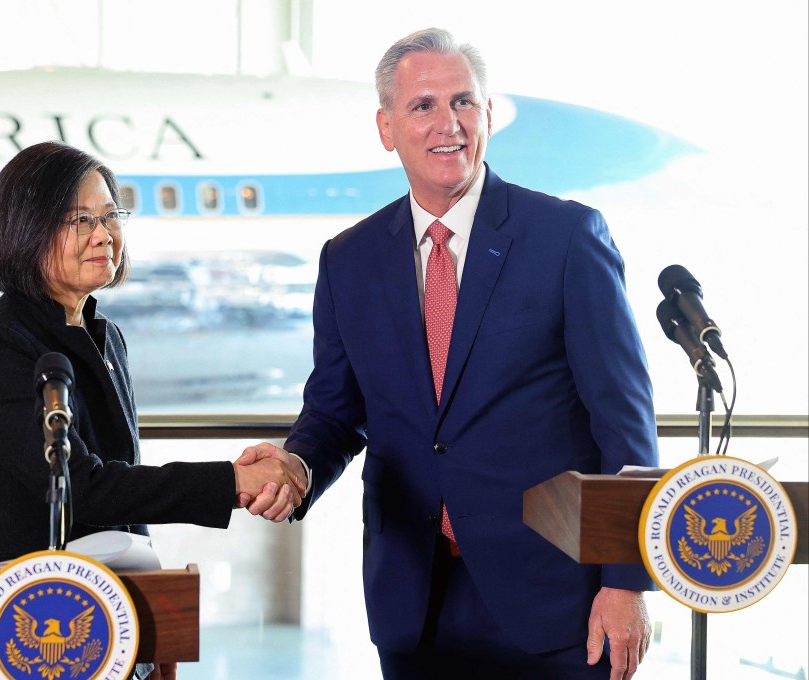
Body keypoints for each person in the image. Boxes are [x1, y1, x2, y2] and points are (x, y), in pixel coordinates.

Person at [237, 28, 659, 680]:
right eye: (423, 106)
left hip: (556, 598)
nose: (449, 124)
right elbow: (334, 413)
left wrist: (627, 583)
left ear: (488, 114)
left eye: (464, 102)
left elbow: (624, 423)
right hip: (414, 600)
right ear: (387, 127)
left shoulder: (566, 238)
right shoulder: (349, 259)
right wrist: (295, 466)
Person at [0, 141, 302, 680]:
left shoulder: (103, 337)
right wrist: (231, 481)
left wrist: (148, 632)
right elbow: (86, 486)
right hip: (24, 628)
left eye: (111, 215)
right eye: (79, 219)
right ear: (25, 229)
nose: (103, 234)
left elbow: (123, 497)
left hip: (106, 621)